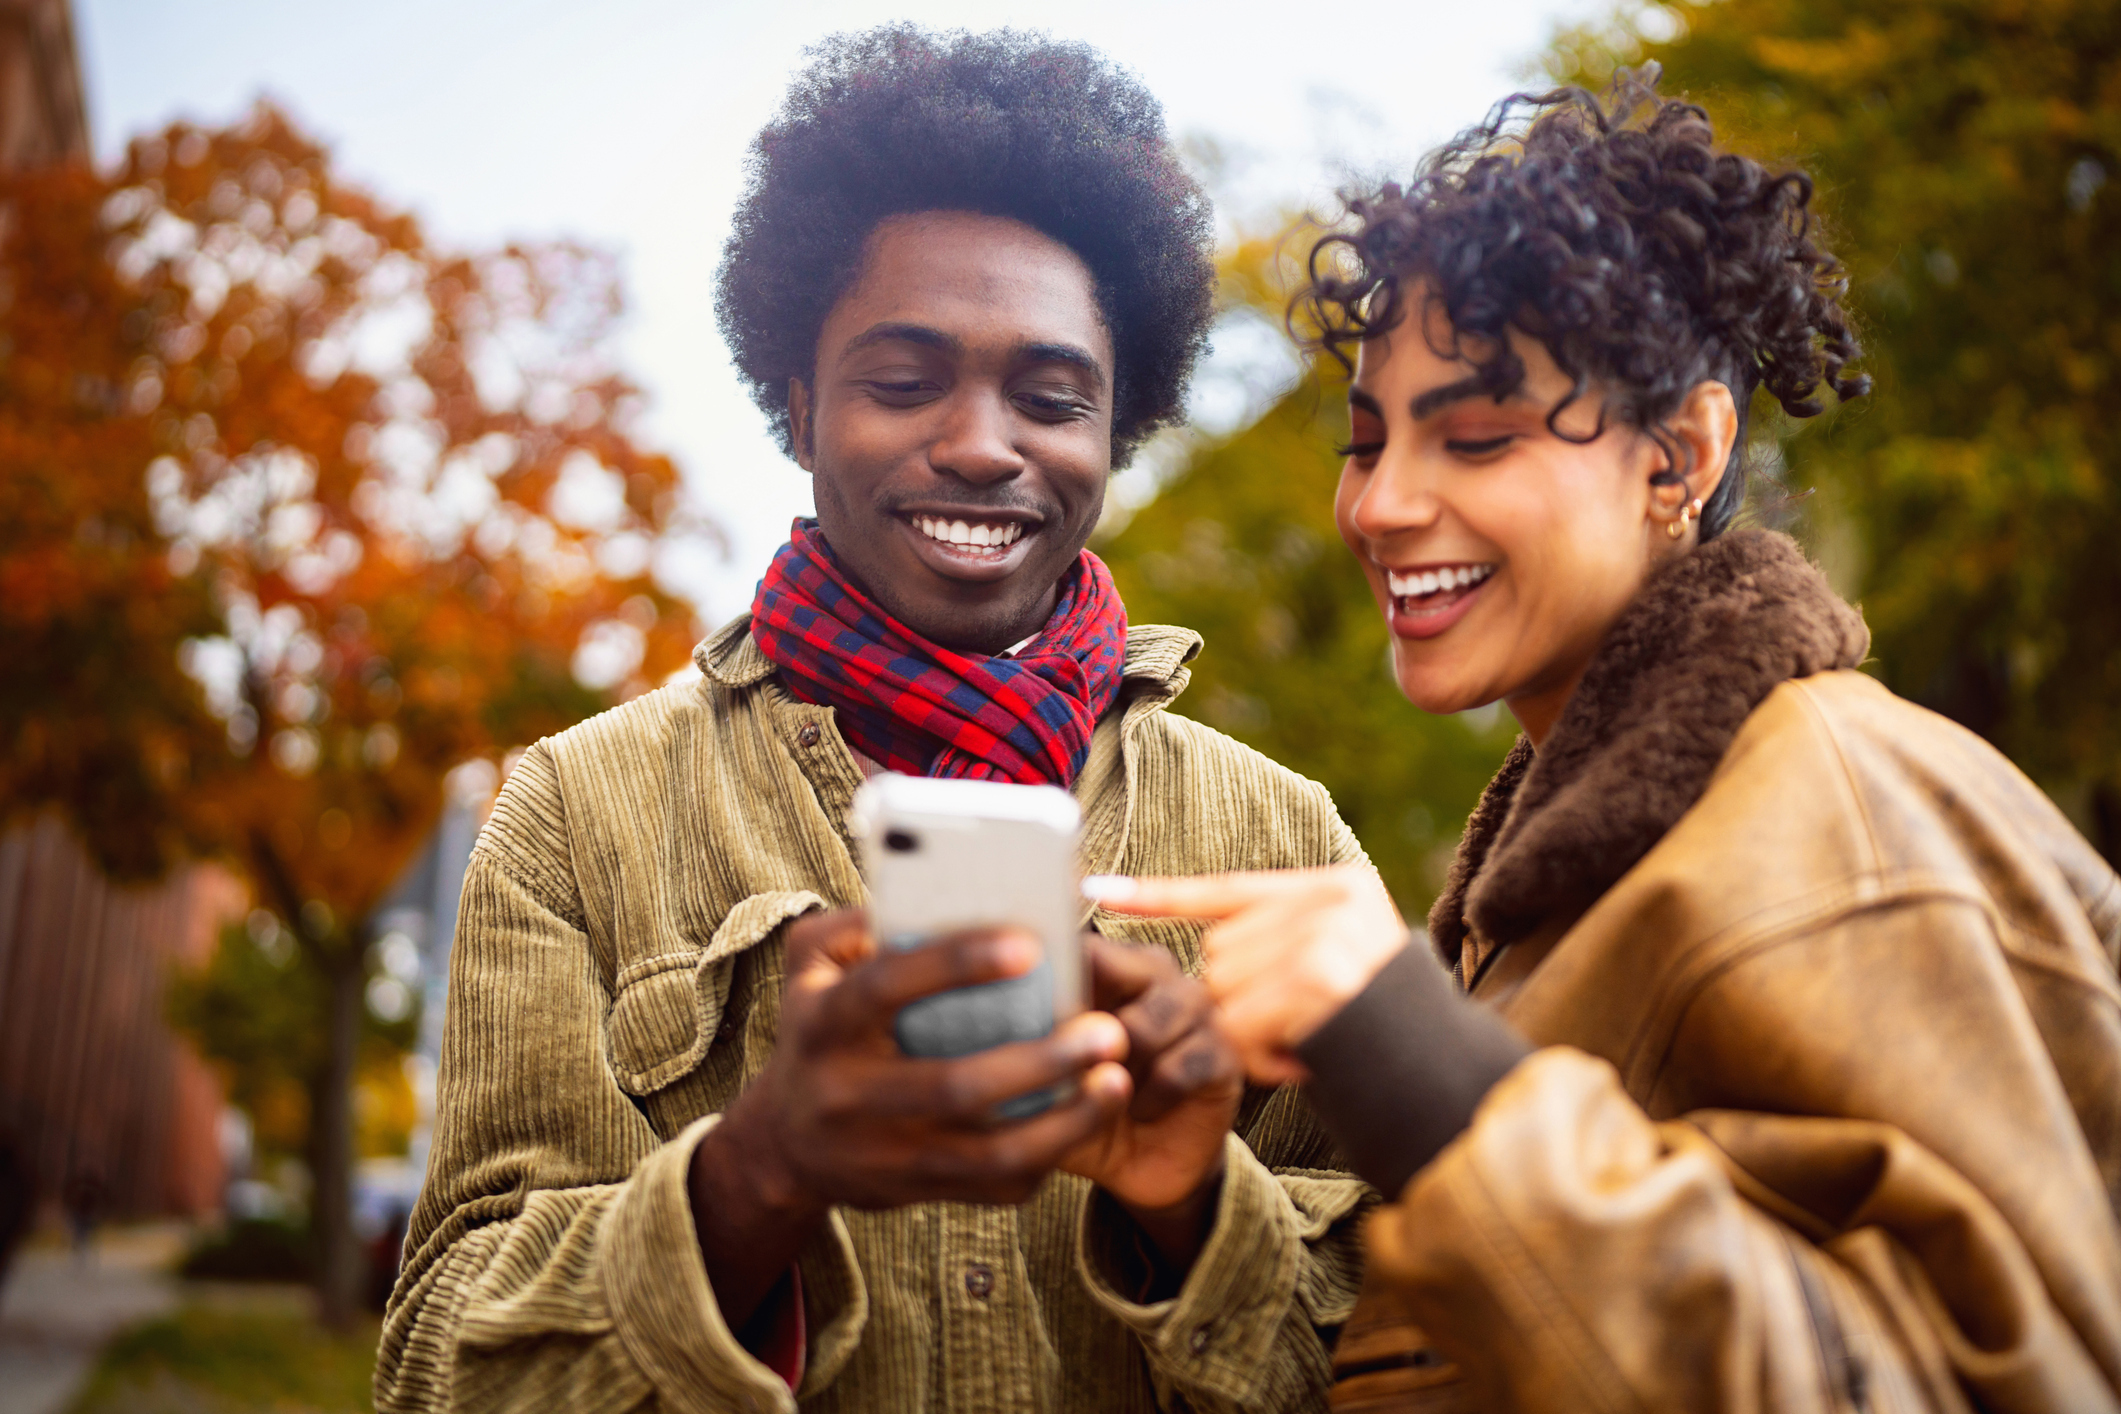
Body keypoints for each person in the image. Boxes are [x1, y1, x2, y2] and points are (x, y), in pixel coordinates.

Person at [377, 28, 1373, 1414]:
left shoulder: (1282, 836)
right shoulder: (573, 815)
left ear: (1116, 430)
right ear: (798, 410)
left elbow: (1420, 1355)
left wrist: (1197, 1204)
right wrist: (755, 1176)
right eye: (903, 383)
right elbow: (436, 1368)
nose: (979, 443)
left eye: (1051, 399)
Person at [1093, 72, 2121, 1413]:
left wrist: (1433, 1083)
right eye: (1367, 440)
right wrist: (1187, 1199)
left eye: (1475, 436)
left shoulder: (1843, 812)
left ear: (1676, 458)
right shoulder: (1565, 877)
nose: (1382, 504)